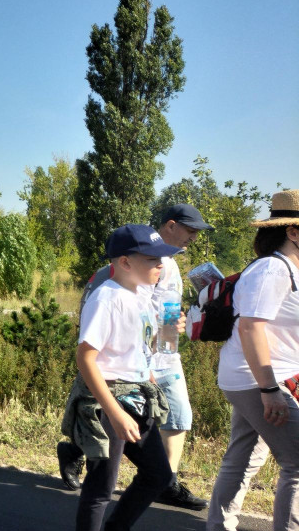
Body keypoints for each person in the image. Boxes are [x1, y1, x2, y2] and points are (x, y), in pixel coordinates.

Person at [61, 203, 212, 510]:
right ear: (170, 225)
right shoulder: (148, 261)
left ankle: (161, 481)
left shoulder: (166, 260)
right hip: (144, 358)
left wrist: (173, 327)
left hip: (163, 353)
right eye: (191, 230)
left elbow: (161, 309)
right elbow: (134, 309)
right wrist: (152, 351)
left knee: (178, 417)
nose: (194, 238)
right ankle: (144, 481)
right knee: (128, 435)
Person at [62, 224, 179, 531]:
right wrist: (113, 411)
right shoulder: (107, 297)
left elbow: (141, 347)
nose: (161, 265)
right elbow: (86, 357)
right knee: (101, 486)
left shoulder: (142, 294)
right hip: (106, 400)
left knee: (158, 474)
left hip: (136, 396)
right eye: (153, 260)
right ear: (126, 262)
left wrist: (168, 336)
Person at [202, 189, 299, 531]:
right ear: (293, 231)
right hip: (258, 381)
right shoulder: (273, 270)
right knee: (298, 464)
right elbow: (250, 327)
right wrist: (269, 389)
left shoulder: (286, 269)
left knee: (243, 457)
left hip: (256, 379)